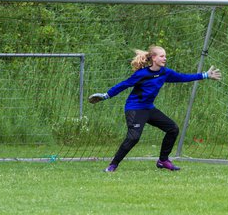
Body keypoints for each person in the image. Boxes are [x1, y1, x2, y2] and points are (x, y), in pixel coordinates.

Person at [88, 45, 221, 172]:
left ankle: (163, 161)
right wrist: (106, 95)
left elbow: (183, 77)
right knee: (133, 137)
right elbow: (123, 85)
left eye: (165, 56)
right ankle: (113, 165)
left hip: (149, 109)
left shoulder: (165, 72)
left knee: (172, 129)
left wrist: (205, 75)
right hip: (135, 108)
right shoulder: (142, 74)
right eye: (162, 56)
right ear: (154, 58)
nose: (165, 58)